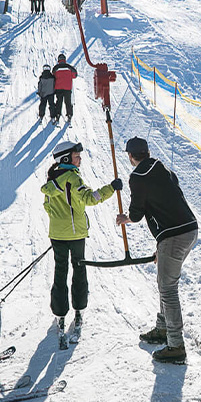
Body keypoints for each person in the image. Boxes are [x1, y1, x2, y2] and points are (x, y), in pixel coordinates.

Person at [116, 137, 198, 364]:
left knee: (168, 289)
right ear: (148, 151)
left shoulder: (138, 176)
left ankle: (175, 345)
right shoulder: (164, 169)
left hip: (174, 235)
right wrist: (161, 248)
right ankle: (163, 329)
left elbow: (138, 212)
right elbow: (168, 204)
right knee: (165, 284)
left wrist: (126, 219)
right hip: (188, 230)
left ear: (131, 156)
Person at [41, 141, 122, 348]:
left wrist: (60, 222)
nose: (80, 159)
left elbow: (47, 206)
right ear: (66, 158)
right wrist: (111, 188)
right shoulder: (73, 178)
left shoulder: (52, 179)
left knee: (60, 272)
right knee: (79, 271)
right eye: (77, 156)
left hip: (57, 235)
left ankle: (60, 313)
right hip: (76, 235)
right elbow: (90, 198)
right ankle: (78, 310)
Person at [52, 53, 77, 122]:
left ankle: (57, 114)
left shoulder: (56, 68)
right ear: (65, 60)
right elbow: (74, 75)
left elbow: (53, 77)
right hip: (67, 88)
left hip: (58, 87)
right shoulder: (69, 67)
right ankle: (69, 114)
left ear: (58, 60)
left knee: (59, 101)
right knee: (68, 102)